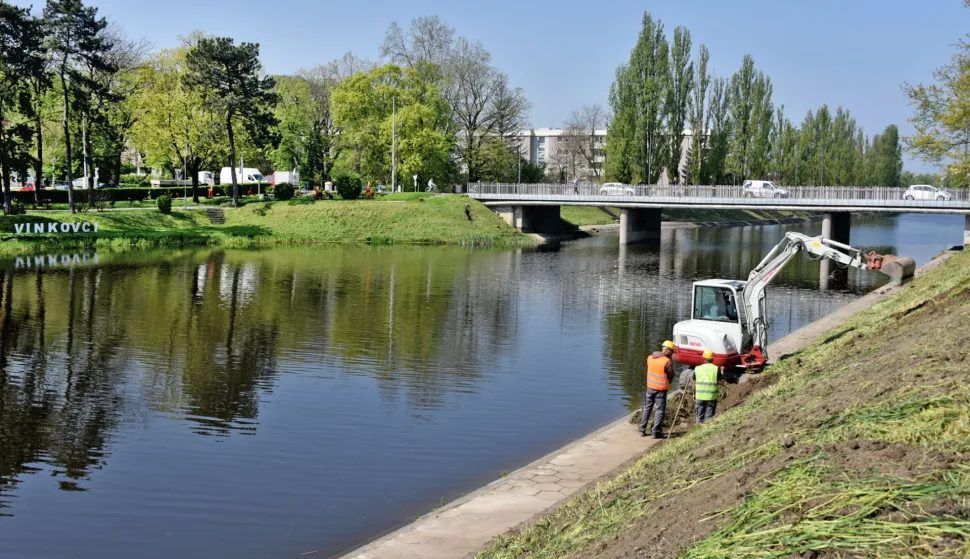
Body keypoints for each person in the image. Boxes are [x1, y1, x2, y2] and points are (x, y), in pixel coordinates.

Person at [640, 340, 676, 439]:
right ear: (668, 350)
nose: (672, 354)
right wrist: (668, 382)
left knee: (647, 407)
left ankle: (642, 429)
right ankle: (655, 432)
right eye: (672, 351)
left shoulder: (650, 358)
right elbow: (671, 374)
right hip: (661, 389)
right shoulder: (666, 361)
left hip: (650, 387)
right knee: (660, 410)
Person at [693, 349, 724, 424]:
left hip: (699, 396)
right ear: (712, 359)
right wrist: (722, 372)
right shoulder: (716, 368)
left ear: (703, 358)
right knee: (709, 418)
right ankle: (707, 432)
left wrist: (694, 394)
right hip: (711, 397)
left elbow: (694, 384)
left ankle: (697, 431)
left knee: (699, 417)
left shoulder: (697, 368)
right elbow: (721, 383)